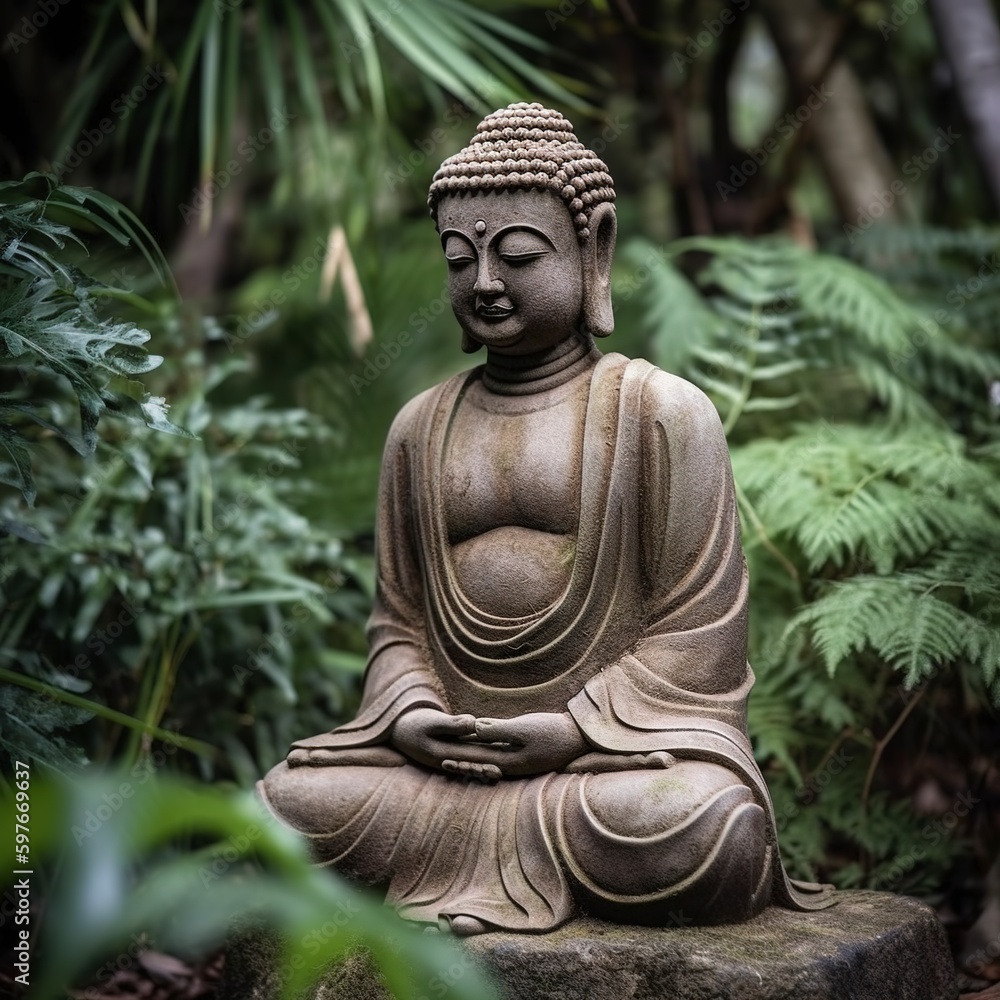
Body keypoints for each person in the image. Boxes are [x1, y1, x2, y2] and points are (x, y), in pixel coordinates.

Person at [260, 103, 834, 935]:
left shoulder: (662, 416)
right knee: (285, 806)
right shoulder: (418, 430)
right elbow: (399, 626)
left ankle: (468, 859)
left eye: (519, 255)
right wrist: (414, 717)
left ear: (593, 247)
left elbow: (699, 640)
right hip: (440, 766)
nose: (485, 282)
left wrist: (573, 730)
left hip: (602, 766)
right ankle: (472, 848)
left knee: (699, 825)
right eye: (460, 259)